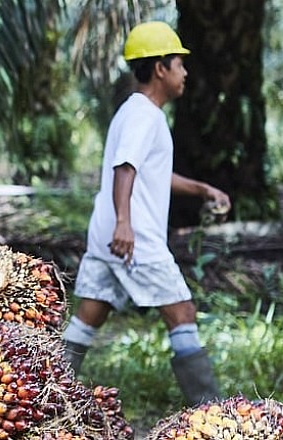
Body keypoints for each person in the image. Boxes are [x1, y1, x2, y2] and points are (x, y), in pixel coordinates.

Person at [62, 21, 231, 406]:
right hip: (132, 237)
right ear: (160, 68)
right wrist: (125, 223)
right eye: (179, 63)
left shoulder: (132, 112)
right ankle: (212, 412)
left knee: (88, 315)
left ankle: (43, 394)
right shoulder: (145, 115)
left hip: (108, 234)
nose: (185, 72)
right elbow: (126, 167)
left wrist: (203, 188)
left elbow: (151, 170)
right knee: (182, 311)